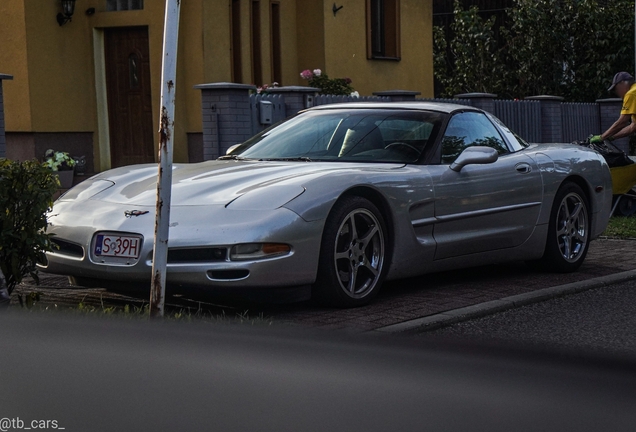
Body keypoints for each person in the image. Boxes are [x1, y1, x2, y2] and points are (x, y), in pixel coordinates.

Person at [591, 72, 636, 143]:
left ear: (622, 83)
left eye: (616, 89)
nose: (616, 92)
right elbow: (633, 126)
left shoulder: (631, 94)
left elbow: (622, 122)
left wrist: (602, 137)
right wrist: (612, 137)